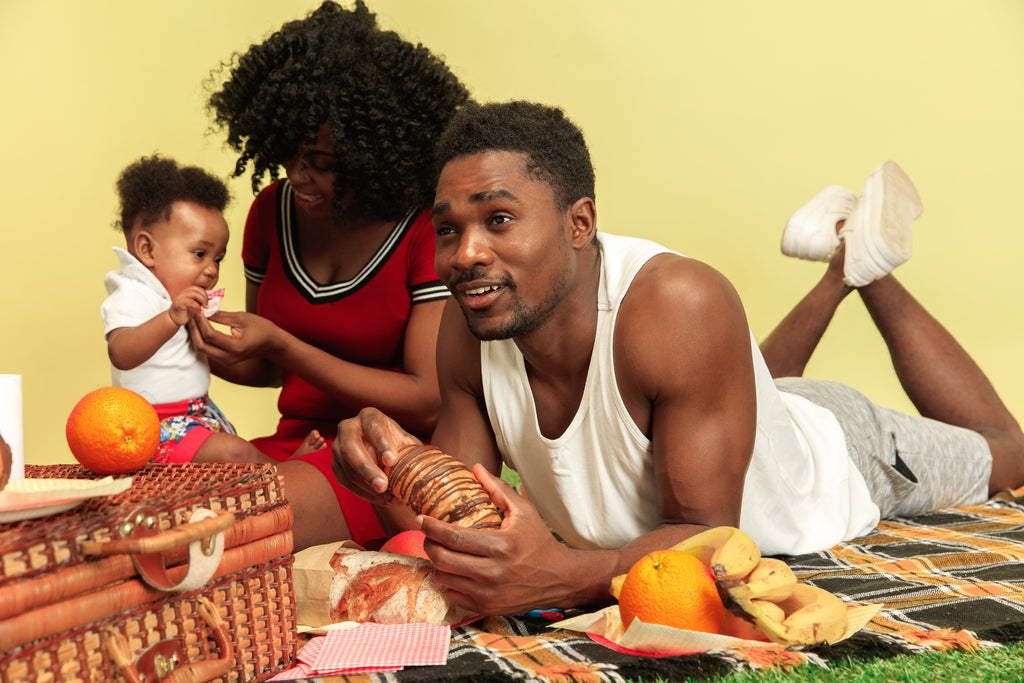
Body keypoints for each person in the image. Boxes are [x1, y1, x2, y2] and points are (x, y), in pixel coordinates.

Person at [331, 101, 1024, 616]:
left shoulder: (679, 305)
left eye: (499, 219)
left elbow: (708, 533)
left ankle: (862, 266)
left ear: (579, 223)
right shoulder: (469, 320)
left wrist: (563, 572)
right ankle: (842, 265)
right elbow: (463, 516)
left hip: (845, 453)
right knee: (751, 391)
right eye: (448, 229)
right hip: (735, 408)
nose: (465, 253)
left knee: (1009, 452)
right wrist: (388, 471)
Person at [191, 0, 471, 551]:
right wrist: (194, 342)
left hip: (383, 460)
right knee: (158, 505)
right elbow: (267, 369)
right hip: (294, 447)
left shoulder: (420, 230)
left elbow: (427, 398)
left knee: (215, 526)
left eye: (322, 161)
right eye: (291, 155)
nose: (299, 176)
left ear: (374, 155)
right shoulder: (271, 212)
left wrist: (283, 345)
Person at [103, 155, 325, 465]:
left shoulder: (177, 300)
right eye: (199, 254)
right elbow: (121, 354)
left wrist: (217, 339)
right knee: (233, 452)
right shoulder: (133, 293)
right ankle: (286, 474)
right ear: (147, 249)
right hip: (152, 427)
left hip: (198, 416)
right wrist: (170, 319)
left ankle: (278, 476)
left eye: (217, 258)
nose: (211, 270)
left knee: (234, 450)